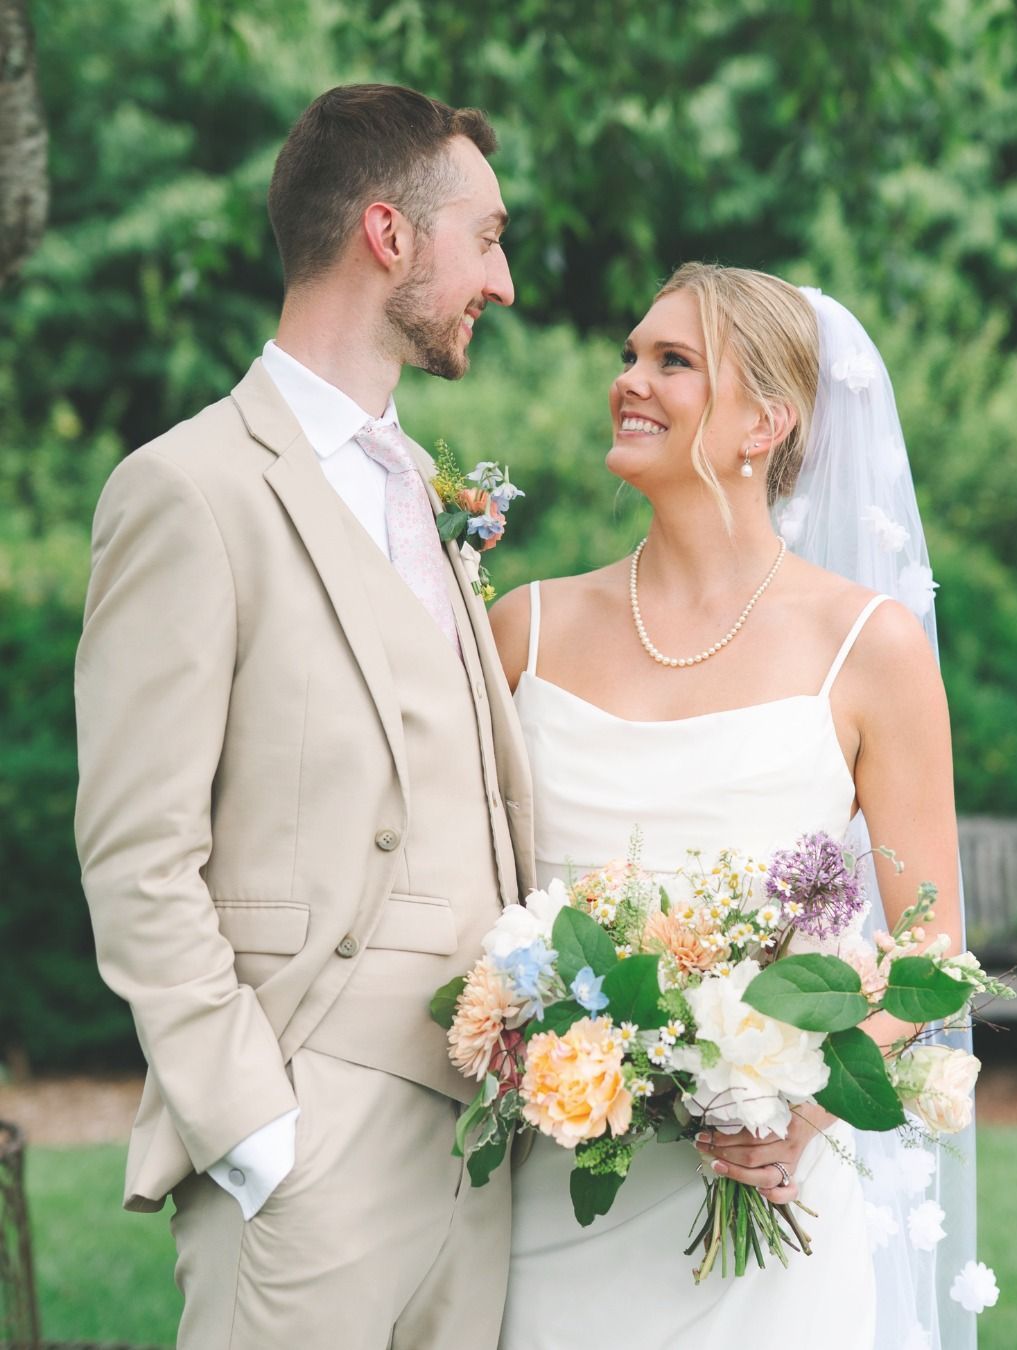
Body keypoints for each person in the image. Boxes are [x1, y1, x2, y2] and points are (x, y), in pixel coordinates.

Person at [74, 83, 533, 1349]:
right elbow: (136, 850)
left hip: (481, 1140)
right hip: (307, 1140)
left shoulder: (422, 492)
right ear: (390, 234)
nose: (501, 280)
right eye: (485, 238)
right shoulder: (187, 490)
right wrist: (259, 1135)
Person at [491, 264, 975, 1349]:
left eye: (673, 362)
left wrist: (799, 1100)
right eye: (629, 355)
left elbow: (932, 949)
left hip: (769, 1211)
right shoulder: (523, 628)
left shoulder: (868, 647)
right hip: (556, 1205)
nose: (630, 380)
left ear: (768, 421)